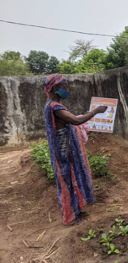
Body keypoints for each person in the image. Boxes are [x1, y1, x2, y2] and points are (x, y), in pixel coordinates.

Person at [43, 74, 107, 225]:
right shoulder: (54, 106)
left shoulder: (54, 105)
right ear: (57, 88)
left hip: (66, 148)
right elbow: (75, 120)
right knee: (67, 181)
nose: (67, 89)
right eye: (64, 86)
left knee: (73, 179)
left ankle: (77, 210)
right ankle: (69, 217)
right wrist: (95, 111)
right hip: (63, 151)